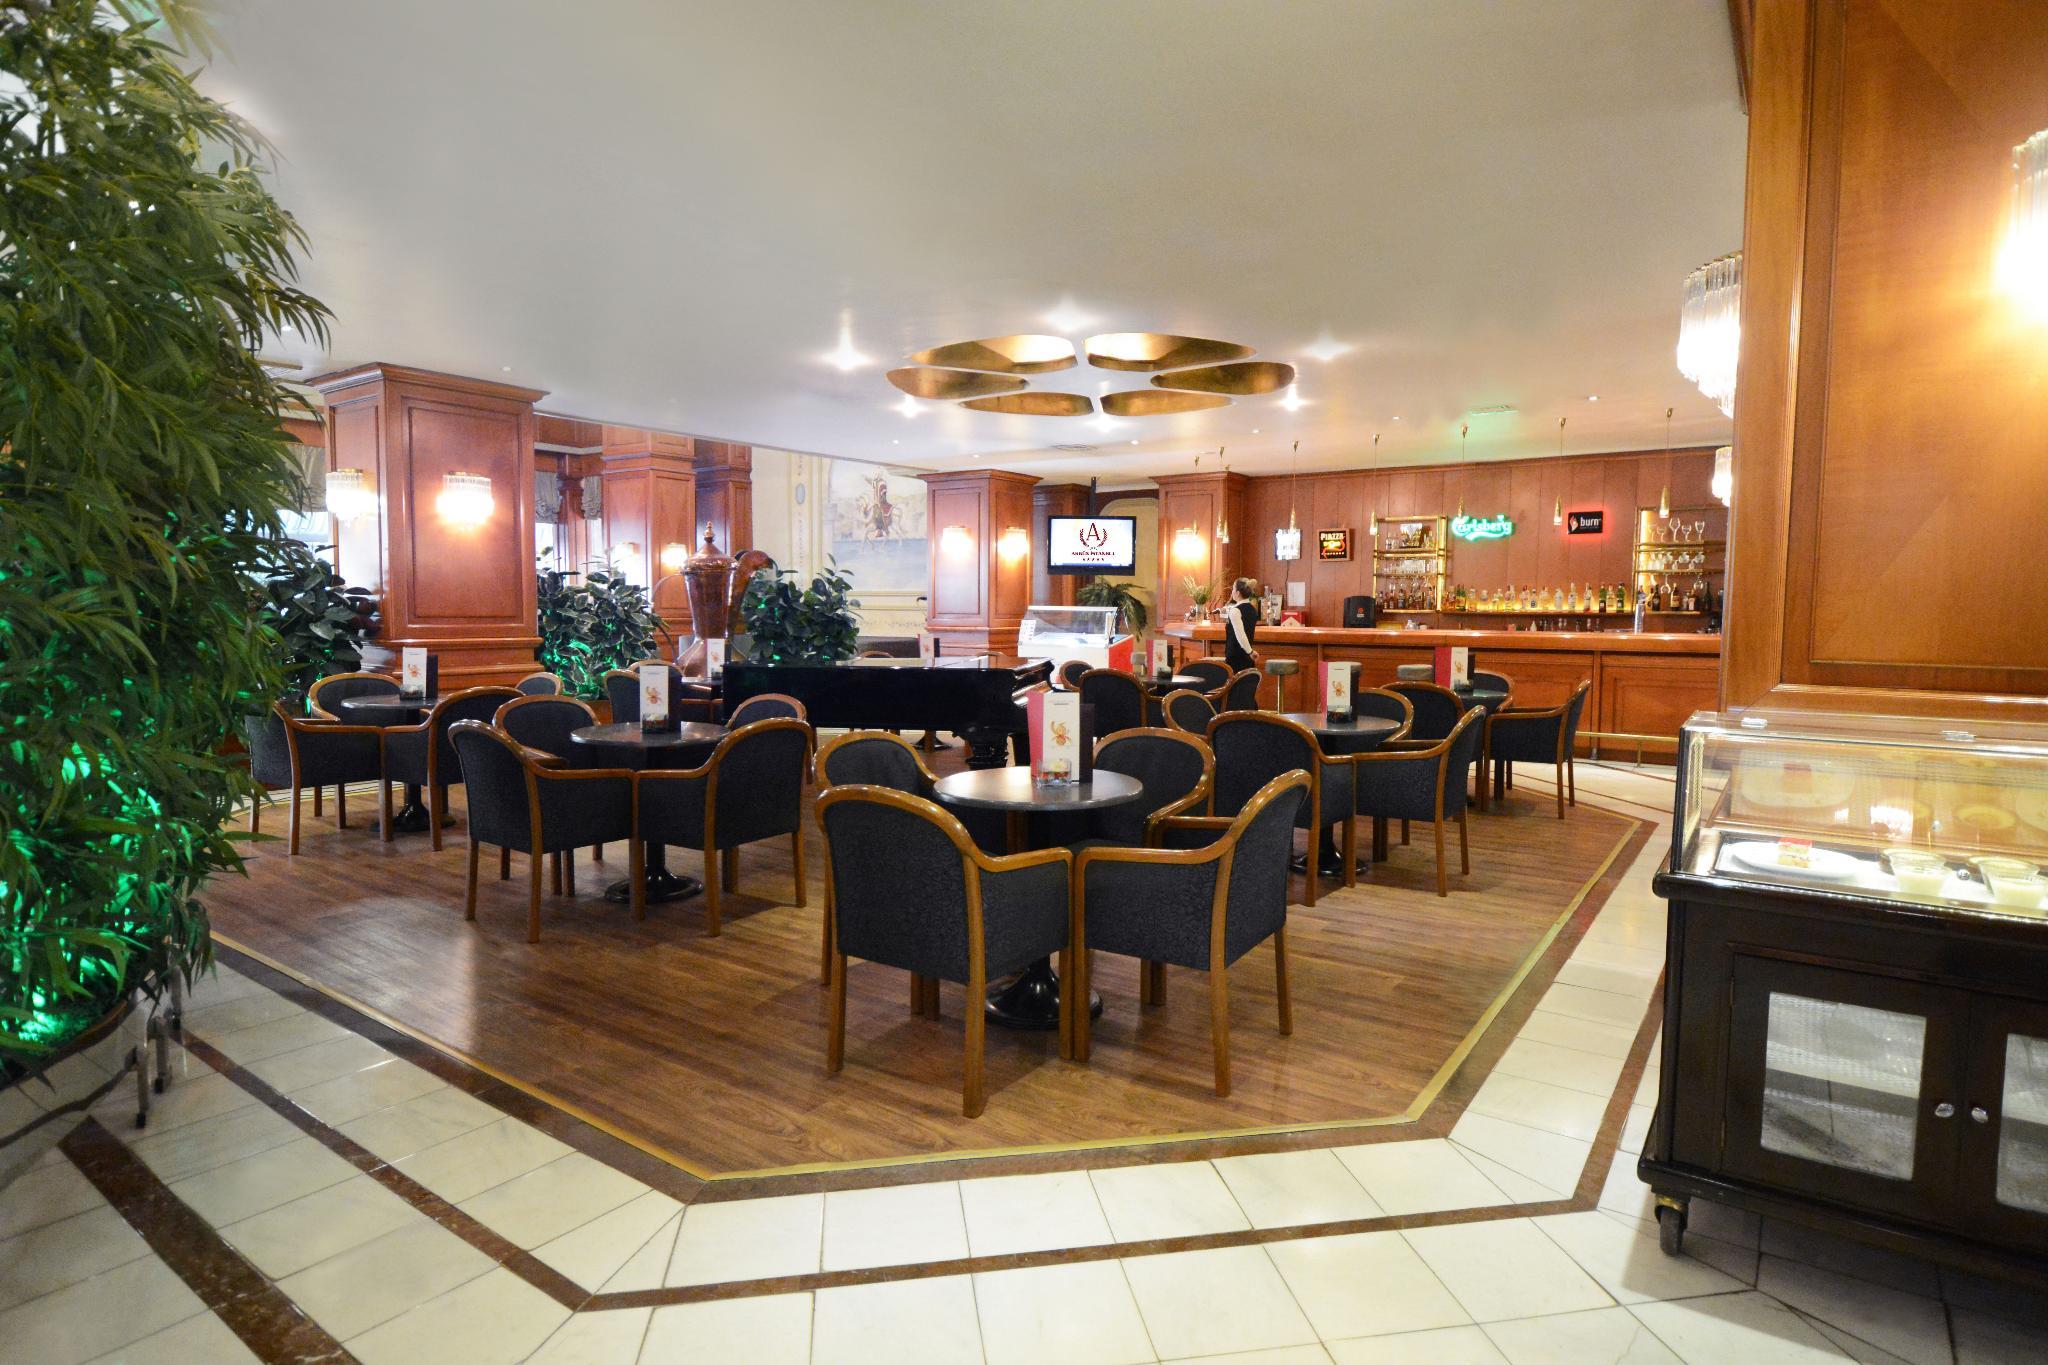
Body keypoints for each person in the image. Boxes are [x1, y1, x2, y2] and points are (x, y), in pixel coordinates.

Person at [1222, 576, 1259, 673]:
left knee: (1234, 682)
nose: (1232, 592)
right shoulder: (1253, 609)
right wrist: (1249, 652)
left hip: (1235, 656)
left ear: (1238, 593)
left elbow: (1241, 635)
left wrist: (1250, 651)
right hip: (1247, 657)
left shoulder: (1235, 610)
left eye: (1233, 589)